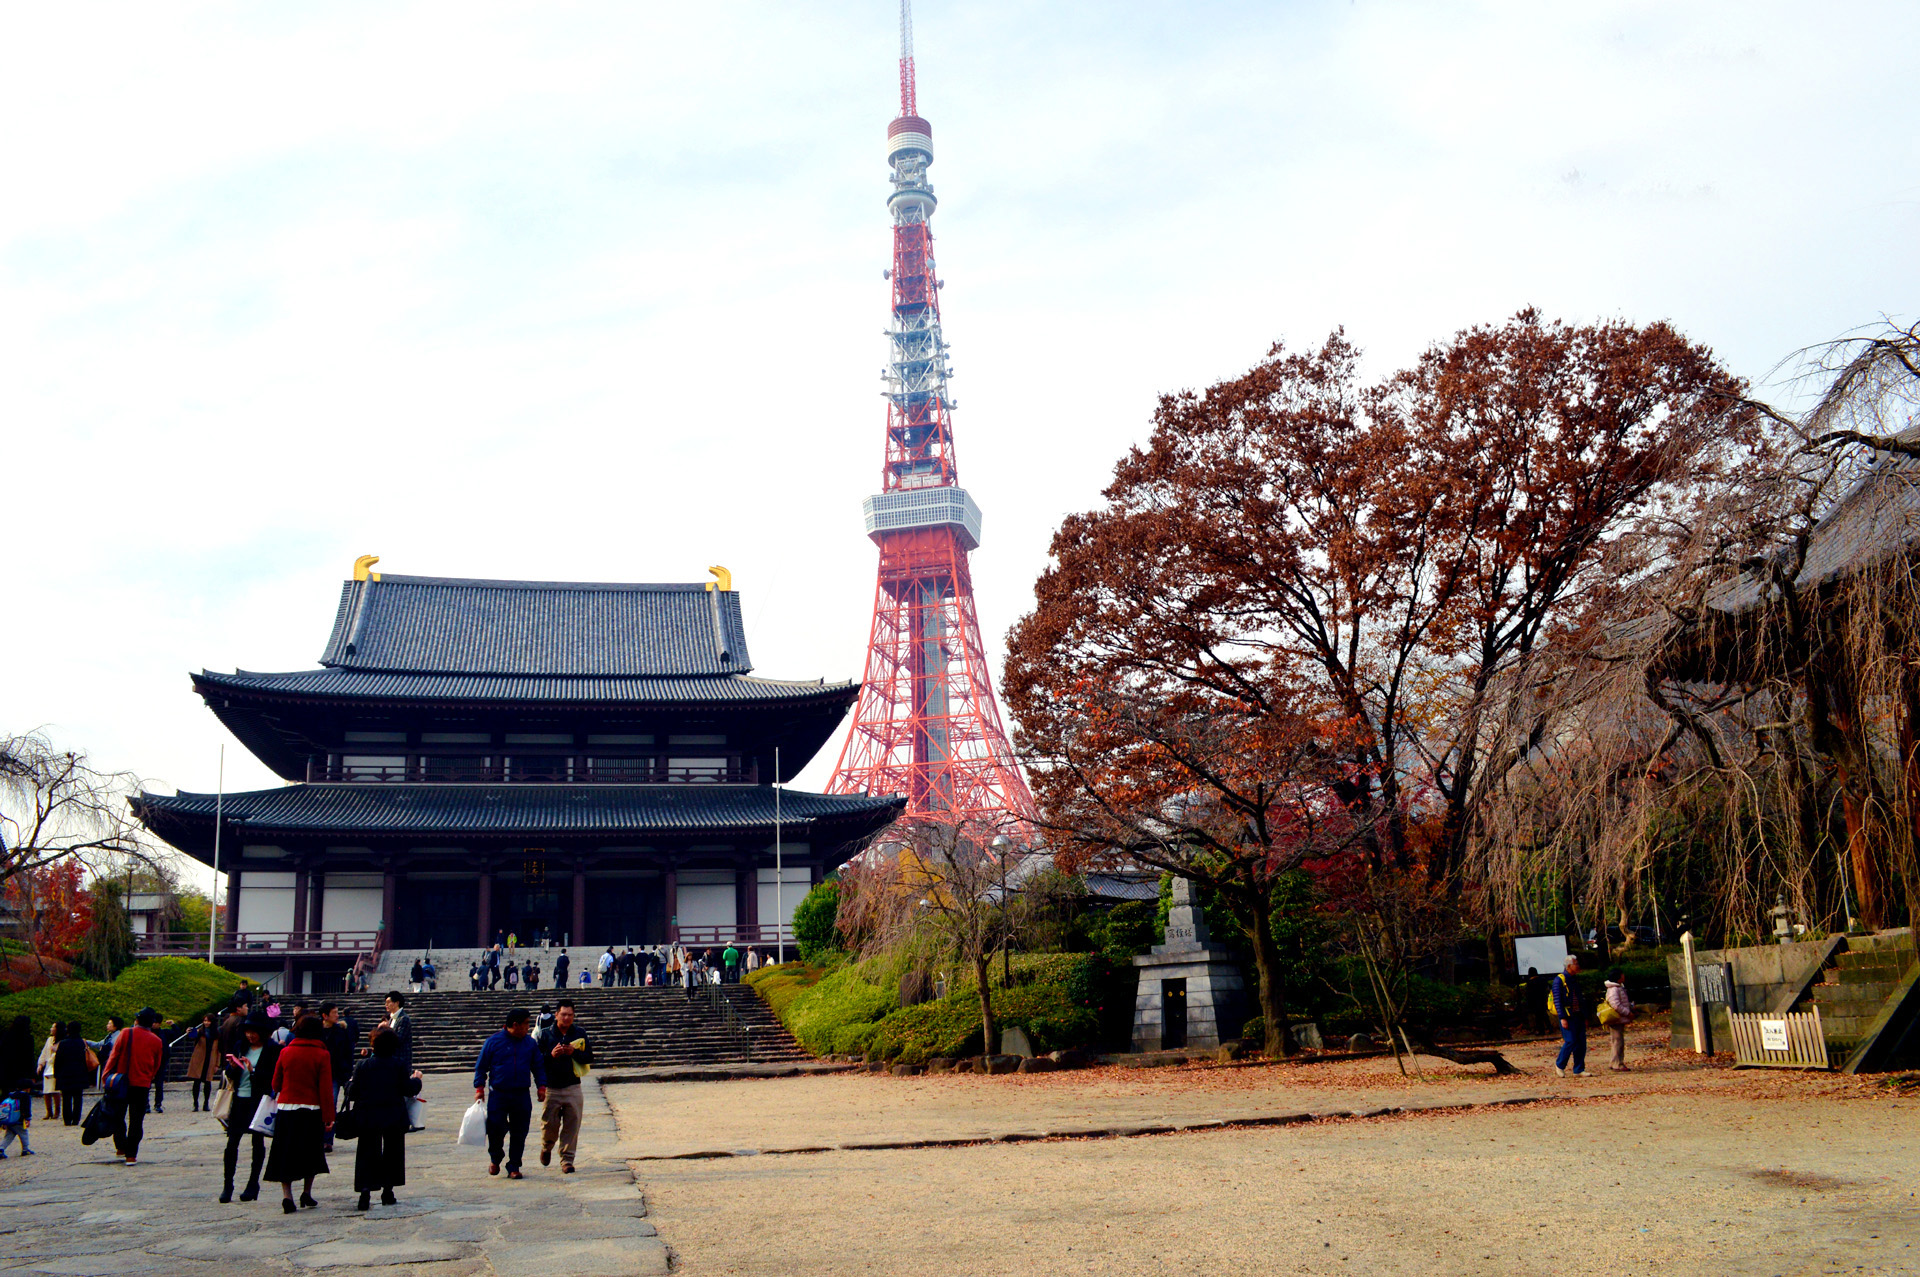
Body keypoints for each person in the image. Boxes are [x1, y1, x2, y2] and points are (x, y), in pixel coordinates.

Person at [346, 1026, 424, 1210]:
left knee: (367, 1153)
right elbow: (408, 1089)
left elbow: (354, 1092)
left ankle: (365, 1192)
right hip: (392, 1115)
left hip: (368, 1115)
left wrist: (349, 1083)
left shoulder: (363, 1065)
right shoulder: (398, 1065)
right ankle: (388, 1191)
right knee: (393, 1152)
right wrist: (417, 1080)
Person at [265, 1016, 333, 1213]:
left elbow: (275, 1084)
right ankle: (307, 1192)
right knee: (311, 1152)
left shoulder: (285, 1052)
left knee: (285, 1152)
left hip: (287, 1109)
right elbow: (325, 1089)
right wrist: (329, 1117)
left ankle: (287, 1196)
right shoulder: (322, 1055)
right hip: (312, 1110)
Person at [473, 1008, 547, 1178]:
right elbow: (481, 1067)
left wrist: (541, 1086)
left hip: (521, 1094)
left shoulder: (529, 1043)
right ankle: (495, 1157)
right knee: (495, 1128)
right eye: (526, 1023)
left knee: (519, 1131)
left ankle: (514, 1165)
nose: (528, 1027)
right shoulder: (493, 1042)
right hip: (499, 1094)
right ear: (516, 1025)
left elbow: (538, 1066)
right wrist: (479, 1089)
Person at [218, 1014, 280, 1203]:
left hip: (258, 1101)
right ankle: (228, 1185)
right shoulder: (240, 1046)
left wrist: (253, 1072)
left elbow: (273, 1076)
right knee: (232, 1143)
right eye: (247, 1032)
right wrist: (233, 1067)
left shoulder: (272, 1049)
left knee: (257, 1143)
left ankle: (253, 1183)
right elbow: (230, 1074)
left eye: (253, 1032)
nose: (250, 1036)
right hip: (239, 1099)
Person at [102, 1008, 166, 1165]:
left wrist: (106, 1075)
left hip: (122, 1081)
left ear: (136, 1020)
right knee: (137, 1120)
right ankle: (132, 1155)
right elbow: (156, 1065)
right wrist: (148, 1077)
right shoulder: (157, 1041)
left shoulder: (126, 1033)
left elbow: (114, 1055)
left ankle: (121, 1146)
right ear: (152, 1023)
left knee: (118, 1115)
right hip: (142, 1084)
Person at [535, 999, 592, 1174]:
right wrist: (551, 1055)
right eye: (563, 1014)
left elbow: (589, 1057)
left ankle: (567, 1160)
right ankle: (546, 1146)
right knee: (549, 1124)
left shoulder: (579, 1033)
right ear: (556, 1015)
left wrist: (574, 1052)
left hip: (572, 1086)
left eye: (570, 1015)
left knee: (572, 1125)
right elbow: (537, 1062)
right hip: (552, 1087)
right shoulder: (545, 1035)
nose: (566, 1018)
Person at [0, 1015, 36, 1158]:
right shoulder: (27, 1038)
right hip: (21, 1074)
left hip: (6, 1074)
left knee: (7, 1098)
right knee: (22, 1099)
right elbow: (29, 1057)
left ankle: (5, 1117)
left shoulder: (6, 1035)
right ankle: (25, 1147)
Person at [1549, 957, 1586, 1078]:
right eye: (1576, 964)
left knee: (1581, 1042)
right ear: (1568, 966)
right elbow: (1558, 1000)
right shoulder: (1559, 980)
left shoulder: (1575, 979)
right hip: (1568, 1015)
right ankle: (1560, 1065)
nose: (1578, 966)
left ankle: (1579, 1068)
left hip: (1578, 1014)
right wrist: (1562, 1017)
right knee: (1570, 1041)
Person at [182, 1012, 223, 1112]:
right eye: (205, 1021)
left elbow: (218, 1050)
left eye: (208, 1021)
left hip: (210, 1059)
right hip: (199, 1059)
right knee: (196, 1082)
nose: (206, 1023)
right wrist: (188, 1033)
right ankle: (195, 1103)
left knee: (207, 1082)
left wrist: (217, 1063)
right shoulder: (200, 1032)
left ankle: (206, 1103)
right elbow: (192, 1037)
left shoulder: (216, 1034)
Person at [54, 1023, 93, 1126]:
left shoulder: (63, 1043)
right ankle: (76, 1119)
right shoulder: (81, 1042)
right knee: (78, 1097)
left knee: (66, 1098)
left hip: (65, 1073)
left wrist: (56, 1073)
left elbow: (58, 1060)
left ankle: (67, 1119)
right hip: (79, 1072)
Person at [1602, 966, 1636, 1072]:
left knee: (1616, 1040)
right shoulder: (1614, 989)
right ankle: (1618, 1063)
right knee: (1618, 1041)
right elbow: (1616, 1005)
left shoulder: (1617, 988)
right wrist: (1627, 1012)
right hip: (1617, 1019)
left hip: (1618, 1018)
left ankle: (1614, 1062)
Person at [383, 993, 414, 1073]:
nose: (386, 1004)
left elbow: (398, 1039)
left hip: (401, 1060)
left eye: (388, 1002)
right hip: (392, 1060)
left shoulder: (403, 1019)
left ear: (397, 1003)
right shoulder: (391, 1018)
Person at [36, 1022, 59, 1120]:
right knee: (46, 1091)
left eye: (53, 1027)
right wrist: (40, 1064)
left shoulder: (62, 1040)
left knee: (55, 1090)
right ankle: (49, 1111)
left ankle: (57, 1111)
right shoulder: (49, 1039)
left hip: (57, 1067)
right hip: (48, 1067)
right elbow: (44, 1052)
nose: (51, 1029)